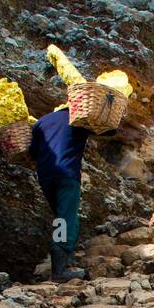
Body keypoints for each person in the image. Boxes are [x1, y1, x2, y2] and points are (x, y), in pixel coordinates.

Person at [29, 108, 90, 281]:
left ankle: (67, 260)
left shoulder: (42, 121)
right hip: (67, 174)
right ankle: (59, 272)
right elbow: (108, 130)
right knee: (64, 220)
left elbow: (33, 151)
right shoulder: (79, 120)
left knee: (61, 216)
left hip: (46, 176)